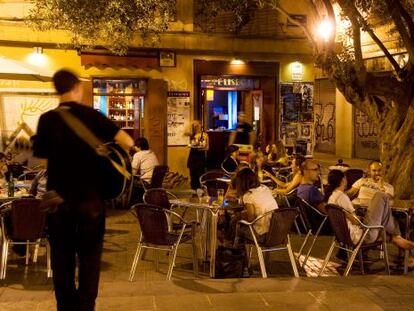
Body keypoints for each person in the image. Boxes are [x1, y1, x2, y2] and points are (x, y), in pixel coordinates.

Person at [32, 69, 133, 311]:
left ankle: (65, 307)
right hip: (91, 202)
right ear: (77, 87)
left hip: (58, 202)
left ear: (57, 90)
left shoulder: (46, 119)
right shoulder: (92, 116)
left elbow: (42, 161)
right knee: (90, 258)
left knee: (61, 258)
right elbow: (127, 142)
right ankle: (86, 306)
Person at [325, 170, 414, 250]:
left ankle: (394, 238)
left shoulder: (333, 197)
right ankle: (396, 235)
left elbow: (349, 217)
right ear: (343, 180)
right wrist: (365, 218)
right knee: (380, 195)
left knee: (380, 215)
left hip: (345, 236)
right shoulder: (342, 197)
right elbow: (355, 221)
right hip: (362, 235)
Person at [234, 168, 278, 242]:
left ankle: (235, 250)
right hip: (277, 232)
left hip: (263, 235)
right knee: (239, 217)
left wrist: (242, 216)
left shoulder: (248, 195)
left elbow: (251, 218)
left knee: (236, 223)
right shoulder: (265, 188)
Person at [186, 120, 209, 189]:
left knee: (201, 176)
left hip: (200, 157)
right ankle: (194, 192)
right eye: (195, 126)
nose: (197, 127)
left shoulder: (205, 135)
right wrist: (191, 124)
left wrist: (201, 148)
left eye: (198, 125)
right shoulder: (192, 134)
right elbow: (184, 132)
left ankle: (202, 191)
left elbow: (207, 148)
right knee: (193, 176)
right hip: (192, 157)